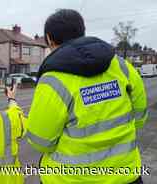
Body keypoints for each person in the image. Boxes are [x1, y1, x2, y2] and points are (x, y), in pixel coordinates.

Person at [26, 9, 147, 184]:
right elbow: (140, 118)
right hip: (126, 176)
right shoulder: (122, 67)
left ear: (50, 39)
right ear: (82, 31)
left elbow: (40, 141)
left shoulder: (52, 81)